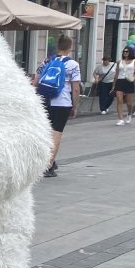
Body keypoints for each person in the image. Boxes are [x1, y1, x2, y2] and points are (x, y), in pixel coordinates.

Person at [34, 34, 81, 177]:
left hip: (45, 101)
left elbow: (35, 80)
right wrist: (75, 106)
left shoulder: (47, 61)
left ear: (57, 46)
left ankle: (48, 162)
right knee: (56, 133)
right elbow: (76, 88)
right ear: (70, 47)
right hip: (63, 103)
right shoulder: (73, 65)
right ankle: (48, 166)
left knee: (45, 133)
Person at [113, 46, 135, 125]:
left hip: (129, 81)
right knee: (119, 100)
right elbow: (117, 73)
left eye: (127, 52)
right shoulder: (119, 61)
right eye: (124, 52)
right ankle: (120, 119)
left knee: (129, 102)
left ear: (130, 52)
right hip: (120, 81)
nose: (125, 53)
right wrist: (113, 85)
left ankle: (129, 113)